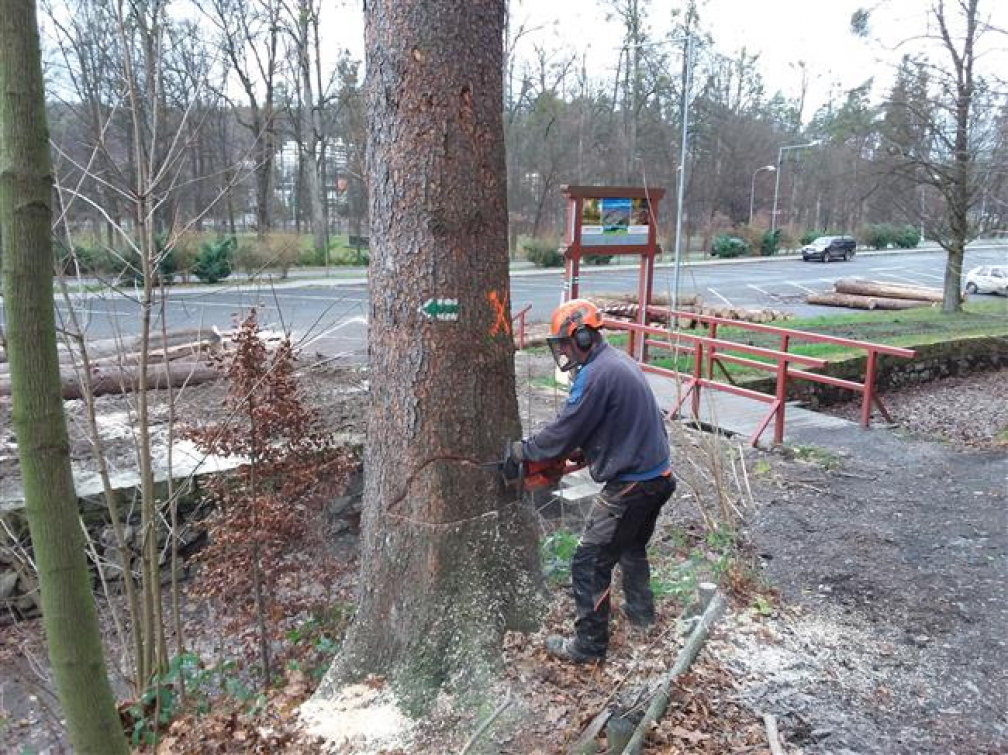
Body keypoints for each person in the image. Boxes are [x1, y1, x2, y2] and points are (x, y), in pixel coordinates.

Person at [513, 298, 675, 663]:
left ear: (583, 337)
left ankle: (588, 646)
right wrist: (589, 453)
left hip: (633, 484)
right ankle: (642, 616)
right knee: (631, 548)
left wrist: (524, 451)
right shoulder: (616, 363)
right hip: (658, 477)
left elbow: (564, 429)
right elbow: (619, 423)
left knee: (589, 562)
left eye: (566, 343)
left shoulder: (595, 375)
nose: (564, 352)